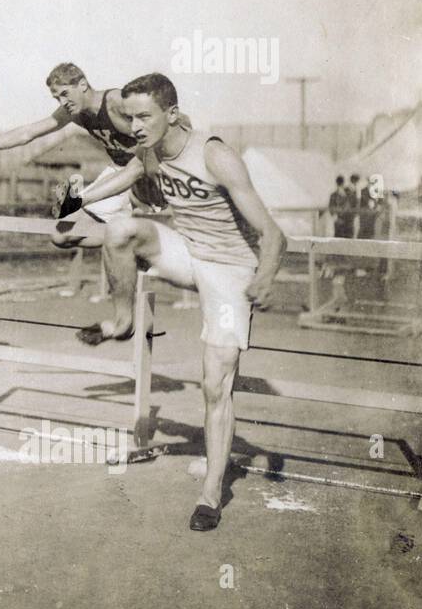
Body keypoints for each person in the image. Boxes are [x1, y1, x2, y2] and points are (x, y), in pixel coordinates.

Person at [73, 73, 285, 532]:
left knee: (215, 385)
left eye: (144, 116)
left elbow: (273, 233)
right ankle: (124, 320)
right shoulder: (147, 151)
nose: (134, 126)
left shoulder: (214, 154)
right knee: (120, 231)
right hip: (189, 253)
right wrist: (72, 206)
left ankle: (211, 492)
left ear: (172, 114)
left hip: (230, 270)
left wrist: (265, 278)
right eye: (129, 117)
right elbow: (121, 181)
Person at [0, 63, 182, 337]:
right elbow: (27, 133)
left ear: (83, 84)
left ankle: (134, 261)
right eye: (56, 97)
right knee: (62, 234)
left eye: (64, 94)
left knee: (117, 186)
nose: (62, 102)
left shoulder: (116, 101)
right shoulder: (76, 112)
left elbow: (161, 127)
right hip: (120, 174)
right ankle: (134, 244)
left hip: (151, 171)